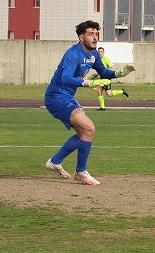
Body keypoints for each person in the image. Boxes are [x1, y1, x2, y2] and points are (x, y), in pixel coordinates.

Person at [44, 21, 135, 186]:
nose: (95, 37)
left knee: (84, 133)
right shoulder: (73, 54)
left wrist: (121, 73)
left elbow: (104, 72)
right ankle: (80, 171)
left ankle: (55, 162)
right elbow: (65, 78)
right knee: (89, 128)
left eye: (96, 34)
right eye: (91, 34)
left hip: (67, 97)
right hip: (56, 97)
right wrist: (89, 83)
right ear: (81, 37)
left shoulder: (93, 54)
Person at [90, 46, 130, 111]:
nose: (100, 53)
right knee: (103, 92)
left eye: (101, 51)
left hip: (107, 78)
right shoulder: (97, 60)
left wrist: (108, 74)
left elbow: (110, 68)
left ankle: (121, 91)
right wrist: (97, 75)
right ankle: (103, 107)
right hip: (101, 78)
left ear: (103, 52)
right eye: (99, 51)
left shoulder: (106, 59)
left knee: (105, 92)